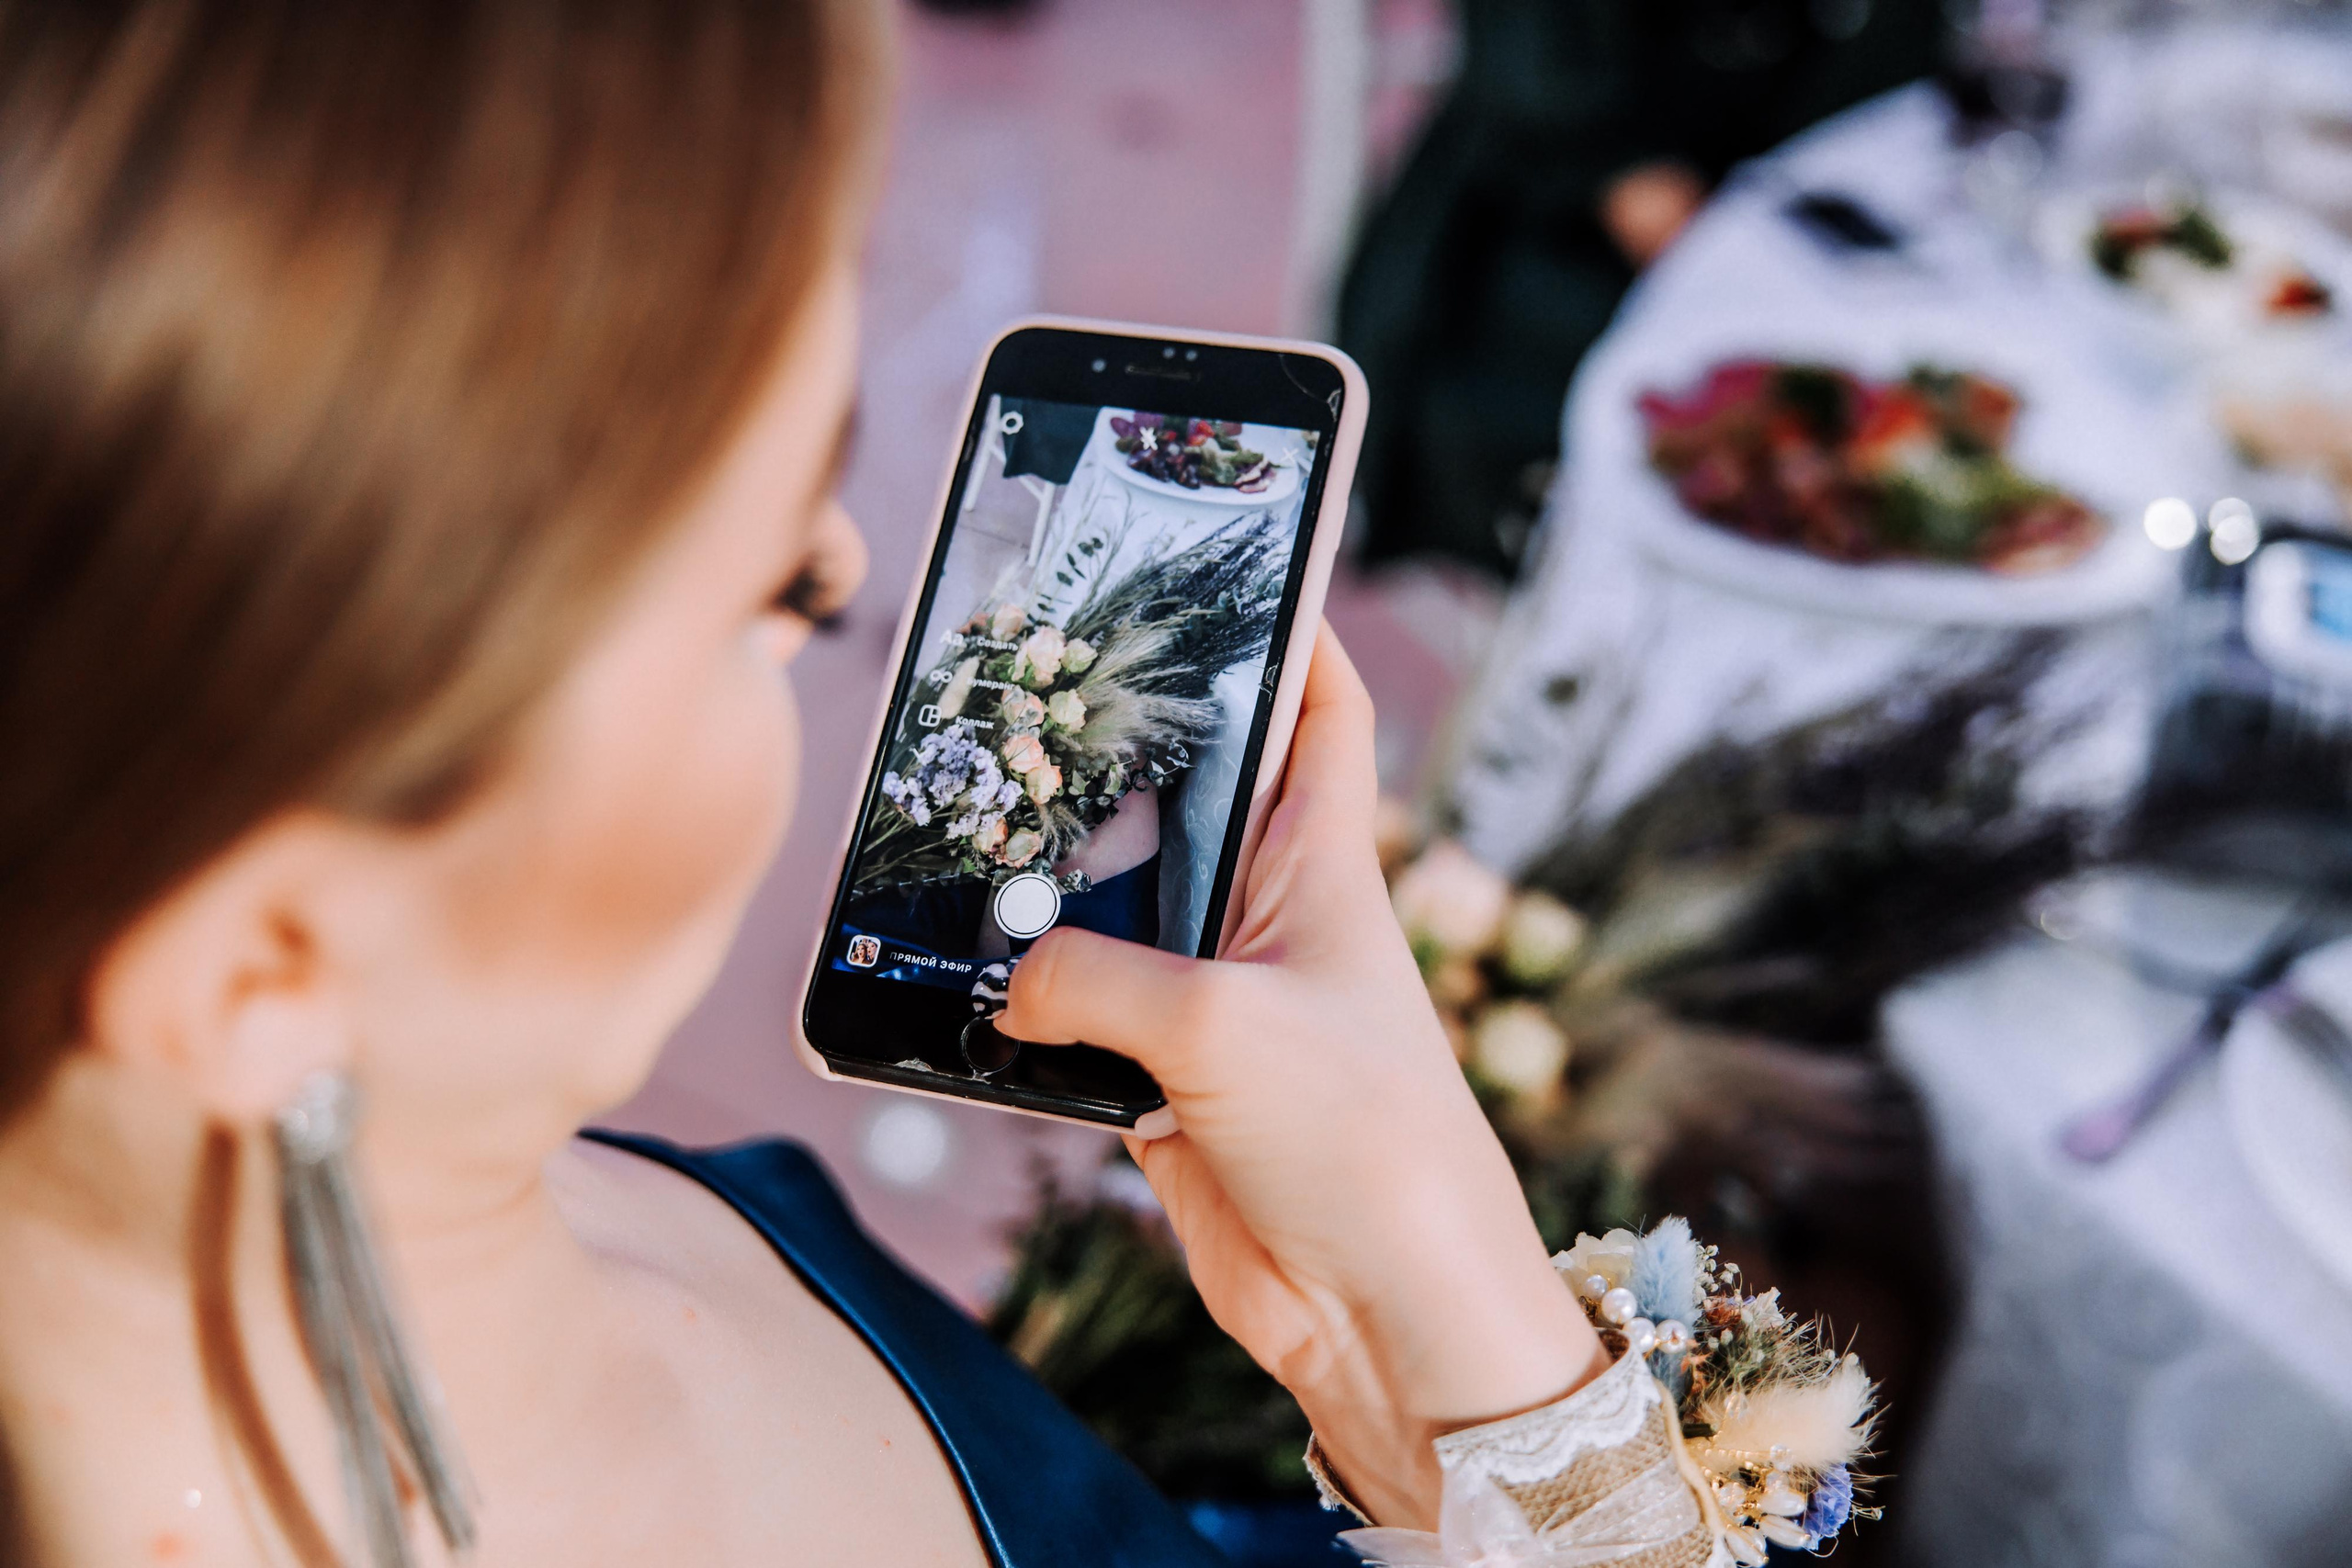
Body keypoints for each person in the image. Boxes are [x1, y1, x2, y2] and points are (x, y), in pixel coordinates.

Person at [0, 3, 1671, 1564]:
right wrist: (1521, 1420)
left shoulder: (713, 1213)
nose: (847, 554)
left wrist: (1408, 1348)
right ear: (260, 967)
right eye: (770, 603)